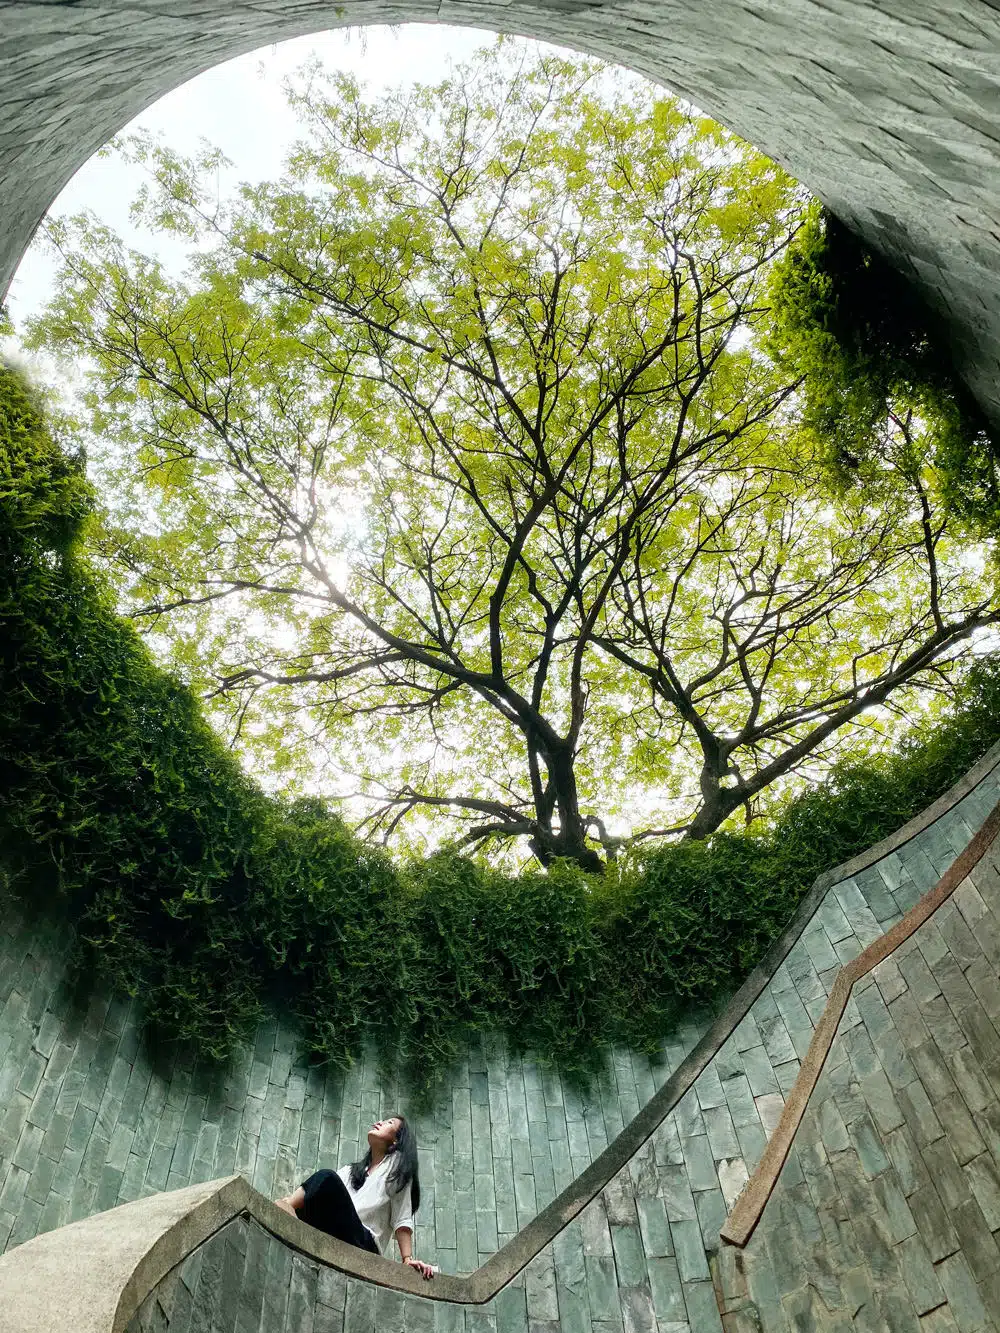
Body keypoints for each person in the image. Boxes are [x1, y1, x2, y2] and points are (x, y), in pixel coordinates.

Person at [275, 1114, 435, 1279]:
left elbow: (402, 1219)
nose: (379, 1122)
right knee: (322, 1187)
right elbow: (320, 1190)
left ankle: (287, 1207)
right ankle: (288, 1210)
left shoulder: (396, 1168)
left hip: (364, 1244)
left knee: (327, 1177)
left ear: (396, 1140)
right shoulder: (352, 1171)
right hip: (339, 1229)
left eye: (389, 1123)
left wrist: (407, 1259)